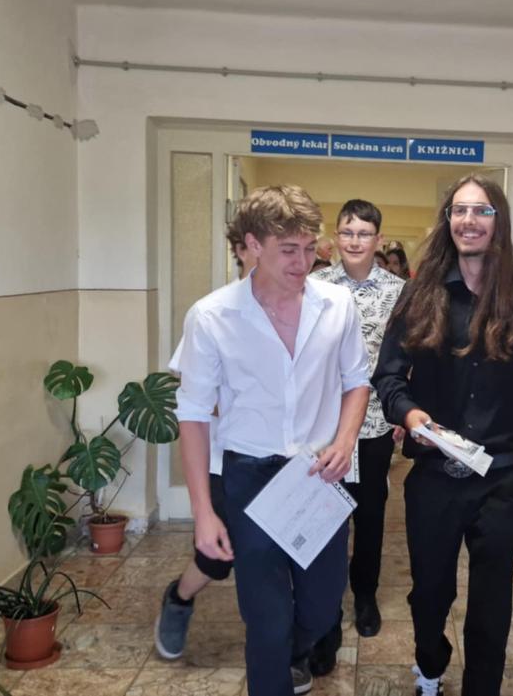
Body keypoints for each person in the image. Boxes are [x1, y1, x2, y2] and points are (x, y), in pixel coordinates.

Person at [373, 174, 513, 696]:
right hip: (433, 476)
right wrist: (410, 414)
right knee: (430, 595)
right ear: (447, 221)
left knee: (492, 604)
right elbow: (387, 377)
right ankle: (430, 665)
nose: (469, 220)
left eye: (481, 211)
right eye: (459, 210)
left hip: (500, 477)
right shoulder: (419, 294)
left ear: (498, 222)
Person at [166, 184, 371, 696]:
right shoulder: (212, 316)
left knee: (323, 607)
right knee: (266, 618)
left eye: (310, 248)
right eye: (289, 250)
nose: (304, 263)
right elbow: (193, 415)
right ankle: (274, 665)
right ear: (252, 245)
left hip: (316, 475)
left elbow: (356, 381)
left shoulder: (337, 304)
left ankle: (291, 656)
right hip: (250, 475)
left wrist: (346, 440)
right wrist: (203, 512)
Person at [307, 200, 406, 673]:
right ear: (336, 235)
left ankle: (365, 596)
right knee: (325, 519)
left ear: (378, 239)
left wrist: (404, 412)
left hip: (376, 423)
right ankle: (324, 614)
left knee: (369, 515)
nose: (354, 241)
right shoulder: (315, 285)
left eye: (364, 233)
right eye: (347, 232)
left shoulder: (399, 292)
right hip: (325, 425)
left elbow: (409, 357)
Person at [154, 220, 257, 661]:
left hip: (283, 461)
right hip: (225, 459)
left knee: (282, 556)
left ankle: (280, 649)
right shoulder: (214, 314)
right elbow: (195, 398)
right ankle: (179, 597)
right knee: (219, 557)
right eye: (256, 246)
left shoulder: (302, 309)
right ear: (241, 250)